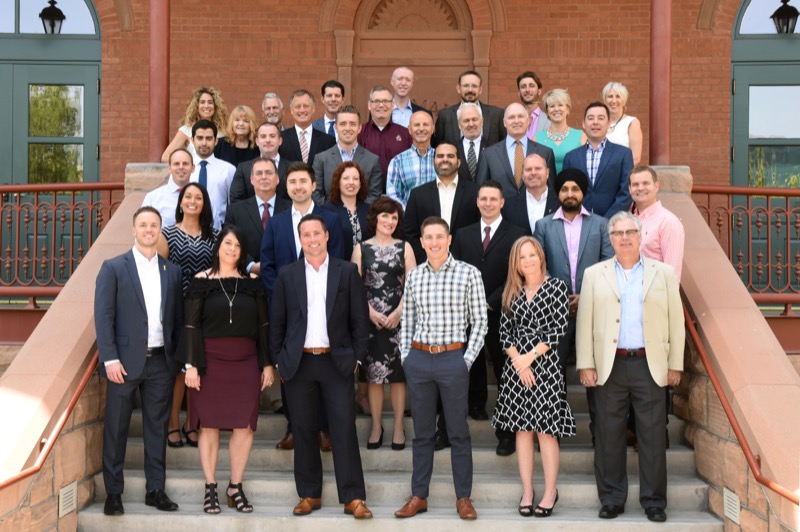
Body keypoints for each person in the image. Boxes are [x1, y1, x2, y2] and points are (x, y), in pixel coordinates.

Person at [576, 211, 685, 523]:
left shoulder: (662, 273)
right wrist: (586, 363)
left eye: (630, 232)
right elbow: (585, 323)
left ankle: (654, 501)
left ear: (641, 237)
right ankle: (611, 498)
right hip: (610, 366)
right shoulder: (594, 274)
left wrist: (674, 363)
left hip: (650, 365)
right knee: (609, 434)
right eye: (618, 233)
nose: (624, 237)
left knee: (652, 434)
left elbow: (675, 322)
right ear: (610, 239)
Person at [270, 213, 373, 519]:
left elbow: (359, 321)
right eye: (306, 235)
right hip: (299, 364)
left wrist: (355, 358)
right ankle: (309, 494)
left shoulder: (346, 271)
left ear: (327, 236)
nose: (312, 239)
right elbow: (277, 324)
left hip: (335, 362)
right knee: (302, 429)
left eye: (317, 233)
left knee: (343, 428)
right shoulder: (288, 275)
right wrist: (280, 361)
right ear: (300, 239)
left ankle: (353, 497)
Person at [394, 216, 488, 520]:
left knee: (458, 432)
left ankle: (464, 498)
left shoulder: (468, 273)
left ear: (448, 240)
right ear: (421, 242)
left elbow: (480, 321)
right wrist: (406, 357)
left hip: (453, 360)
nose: (434, 242)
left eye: (439, 237)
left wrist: (466, 360)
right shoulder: (415, 276)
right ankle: (419, 495)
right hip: (419, 359)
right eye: (428, 237)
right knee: (422, 434)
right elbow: (407, 319)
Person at [178, 225, 275, 514]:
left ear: (243, 251)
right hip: (209, 361)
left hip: (245, 361)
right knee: (208, 425)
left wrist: (266, 363)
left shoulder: (253, 282)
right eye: (227, 243)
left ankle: (235, 486)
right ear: (218, 245)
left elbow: (263, 326)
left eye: (237, 246)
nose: (232, 249)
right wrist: (192, 364)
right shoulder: (201, 281)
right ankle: (210, 487)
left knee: (244, 426)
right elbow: (191, 326)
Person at [95, 206, 183, 516]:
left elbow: (176, 319)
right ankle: (113, 493)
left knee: (156, 429)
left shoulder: (171, 272)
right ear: (133, 230)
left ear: (160, 230)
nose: (148, 230)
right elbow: (104, 317)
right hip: (123, 364)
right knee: (116, 428)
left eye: (154, 225)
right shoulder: (114, 267)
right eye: (143, 225)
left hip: (161, 363)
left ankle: (155, 490)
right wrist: (109, 359)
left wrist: (178, 359)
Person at [260, 161, 345, 450]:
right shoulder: (277, 222)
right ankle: (294, 428)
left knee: (322, 370)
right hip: (287, 312)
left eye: (302, 181)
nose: (297, 186)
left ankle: (323, 429)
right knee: (291, 368)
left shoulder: (331, 220)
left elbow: (339, 265)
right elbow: (268, 266)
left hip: (324, 309)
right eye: (292, 181)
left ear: (313, 186)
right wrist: (286, 298)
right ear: (286, 187)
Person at [492, 236, 573, 517]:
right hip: (517, 372)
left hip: (546, 367)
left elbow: (558, 328)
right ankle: (528, 490)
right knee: (522, 431)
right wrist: (519, 362)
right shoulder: (511, 292)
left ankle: (550, 491)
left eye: (532, 255)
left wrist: (530, 357)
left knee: (546, 432)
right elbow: (504, 334)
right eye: (522, 257)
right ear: (516, 263)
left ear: (541, 257)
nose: (528, 261)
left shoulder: (556, 287)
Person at [533, 169, 613, 441]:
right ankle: (555, 429)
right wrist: (558, 296)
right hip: (556, 311)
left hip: (592, 309)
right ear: (558, 193)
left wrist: (586, 296)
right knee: (554, 371)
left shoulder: (600, 225)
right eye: (564, 188)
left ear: (583, 192)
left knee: (595, 371)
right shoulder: (543, 226)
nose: (569, 193)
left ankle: (598, 432)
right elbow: (538, 268)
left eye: (575, 189)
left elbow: (607, 266)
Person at [450, 180, 526, 457]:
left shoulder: (517, 233)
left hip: (502, 313)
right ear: (477, 202)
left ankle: (506, 432)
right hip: (467, 314)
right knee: (471, 363)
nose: (488, 203)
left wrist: (488, 302)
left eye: (493, 199)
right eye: (483, 199)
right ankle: (475, 405)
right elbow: (454, 270)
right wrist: (470, 304)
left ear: (502, 202)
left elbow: (517, 274)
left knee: (505, 371)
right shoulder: (463, 234)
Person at [626, 165, 686, 447]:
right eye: (635, 184)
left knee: (653, 375)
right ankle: (633, 430)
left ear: (657, 185)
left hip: (653, 311)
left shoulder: (668, 222)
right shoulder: (628, 220)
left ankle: (655, 435)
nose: (640, 189)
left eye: (645, 184)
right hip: (627, 311)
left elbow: (672, 277)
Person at [156, 182, 218, 447]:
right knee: (181, 371)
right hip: (177, 307)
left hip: (205, 309)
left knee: (199, 369)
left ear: (205, 203)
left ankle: (192, 423)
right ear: (181, 202)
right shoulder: (167, 234)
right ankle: (172, 424)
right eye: (188, 197)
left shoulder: (213, 235)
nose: (193, 201)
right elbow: (159, 275)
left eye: (199, 197)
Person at [351, 197, 416, 450]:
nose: (389, 221)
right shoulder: (361, 248)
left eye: (394, 217)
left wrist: (399, 312)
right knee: (374, 376)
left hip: (400, 320)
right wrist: (369, 312)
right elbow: (354, 286)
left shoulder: (405, 247)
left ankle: (398, 426)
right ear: (375, 218)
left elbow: (412, 285)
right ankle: (377, 425)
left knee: (398, 376)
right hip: (370, 321)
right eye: (385, 216)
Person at [404, 143, 480, 265]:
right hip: (427, 264)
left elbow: (479, 229)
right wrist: (427, 259)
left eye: (450, 156)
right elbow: (410, 233)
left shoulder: (475, 192)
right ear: (434, 161)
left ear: (459, 162)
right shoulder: (417, 195)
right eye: (440, 156)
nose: (445, 159)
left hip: (465, 264)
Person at [563, 102, 633, 218]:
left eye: (601, 118)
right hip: (579, 222)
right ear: (584, 124)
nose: (595, 122)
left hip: (612, 223)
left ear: (609, 123)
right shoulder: (571, 157)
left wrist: (606, 221)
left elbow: (626, 192)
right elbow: (566, 191)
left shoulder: (623, 154)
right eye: (590, 118)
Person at [224, 158, 291, 276]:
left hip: (284, 277)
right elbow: (229, 243)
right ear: (251, 179)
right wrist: (250, 265)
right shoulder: (235, 211)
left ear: (277, 179)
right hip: (246, 277)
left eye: (269, 173)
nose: (264, 177)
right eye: (259, 173)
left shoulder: (292, 209)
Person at [476, 103, 557, 199]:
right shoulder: (489, 155)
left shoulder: (545, 153)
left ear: (528, 121)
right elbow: (481, 191)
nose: (516, 121)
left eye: (520, 116)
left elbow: (552, 192)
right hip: (501, 212)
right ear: (504, 122)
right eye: (511, 117)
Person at [312, 105, 383, 205]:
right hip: (329, 218)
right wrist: (333, 212)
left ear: (359, 128)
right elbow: (316, 194)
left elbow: (374, 196)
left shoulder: (373, 160)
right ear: (335, 127)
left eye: (352, 124)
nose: (348, 128)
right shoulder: (321, 159)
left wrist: (354, 211)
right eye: (343, 124)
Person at [357, 85, 412, 187]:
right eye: (376, 101)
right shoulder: (359, 132)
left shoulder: (405, 134)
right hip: (366, 196)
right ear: (369, 105)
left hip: (397, 195)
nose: (381, 105)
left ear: (392, 105)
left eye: (386, 101)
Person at [433, 70, 505, 147]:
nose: (470, 90)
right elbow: (438, 146)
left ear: (480, 90)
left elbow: (503, 146)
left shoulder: (497, 114)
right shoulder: (444, 115)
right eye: (466, 86)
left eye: (474, 86)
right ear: (458, 88)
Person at [189, 119, 236, 230]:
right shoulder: (183, 168)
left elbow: (233, 205)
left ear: (216, 141)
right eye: (200, 138)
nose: (204, 143)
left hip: (218, 231)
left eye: (209, 138)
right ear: (192, 140)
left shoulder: (228, 169)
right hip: (187, 231)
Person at [161, 87, 228, 163]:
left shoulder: (223, 131)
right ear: (196, 106)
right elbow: (165, 157)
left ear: (215, 106)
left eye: (210, 102)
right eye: (202, 102)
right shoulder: (186, 130)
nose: (206, 106)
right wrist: (187, 164)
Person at [322, 161, 371, 261]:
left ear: (361, 183)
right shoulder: (326, 211)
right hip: (340, 269)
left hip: (367, 269)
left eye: (355, 179)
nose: (351, 182)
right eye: (346, 178)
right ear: (338, 182)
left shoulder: (370, 210)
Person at [386, 110, 436, 208]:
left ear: (433, 128)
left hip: (438, 220)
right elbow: (393, 196)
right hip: (408, 220)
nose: (421, 129)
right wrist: (410, 214)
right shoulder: (397, 161)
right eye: (417, 125)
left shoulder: (442, 158)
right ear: (409, 129)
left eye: (425, 124)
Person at [229, 122, 289, 203]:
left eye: (272, 136)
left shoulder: (291, 168)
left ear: (280, 141)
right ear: (257, 141)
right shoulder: (244, 168)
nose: (268, 140)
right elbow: (236, 200)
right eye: (263, 136)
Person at [502, 153, 560, 235]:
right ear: (522, 175)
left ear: (547, 173)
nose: (533, 173)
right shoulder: (508, 206)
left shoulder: (560, 202)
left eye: (538, 168)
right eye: (528, 169)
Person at [278, 90, 336, 166]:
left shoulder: (327, 141)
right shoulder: (280, 139)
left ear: (313, 109)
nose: (302, 110)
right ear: (292, 110)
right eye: (298, 107)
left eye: (306, 106)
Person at [535, 89, 586, 174]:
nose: (556, 109)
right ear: (547, 111)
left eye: (560, 105)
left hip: (572, 185)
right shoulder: (537, 138)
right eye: (552, 106)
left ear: (568, 109)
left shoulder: (580, 136)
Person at [142, 148, 194, 228]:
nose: (181, 167)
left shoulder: (201, 197)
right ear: (169, 168)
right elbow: (142, 229)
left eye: (185, 164)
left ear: (193, 168)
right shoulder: (153, 197)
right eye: (176, 164)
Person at [604, 81, 644, 166]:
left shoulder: (632, 122)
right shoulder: (600, 123)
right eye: (610, 96)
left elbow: (635, 158)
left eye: (618, 96)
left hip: (622, 174)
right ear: (605, 101)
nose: (614, 101)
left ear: (624, 101)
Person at [455, 102, 485, 182]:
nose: (471, 124)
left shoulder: (493, 149)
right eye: (466, 120)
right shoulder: (453, 150)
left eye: (474, 119)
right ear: (459, 125)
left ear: (482, 121)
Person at [517, 71, 551, 138]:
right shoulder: (513, 120)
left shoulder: (549, 120)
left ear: (539, 91)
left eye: (531, 86)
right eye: (523, 86)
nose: (527, 90)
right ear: (519, 93)